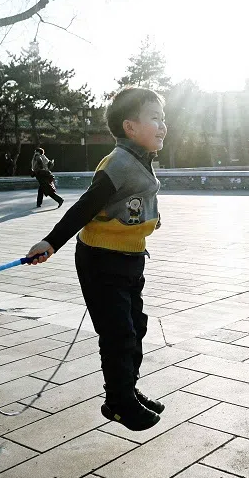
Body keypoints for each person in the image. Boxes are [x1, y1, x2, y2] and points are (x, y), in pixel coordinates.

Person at [25, 87, 166, 431]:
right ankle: (118, 402)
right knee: (118, 333)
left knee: (136, 327)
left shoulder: (139, 160)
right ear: (130, 127)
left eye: (164, 118)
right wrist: (51, 242)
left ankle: (127, 390)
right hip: (102, 260)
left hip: (130, 260)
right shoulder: (118, 163)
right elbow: (85, 207)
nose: (163, 125)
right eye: (155, 118)